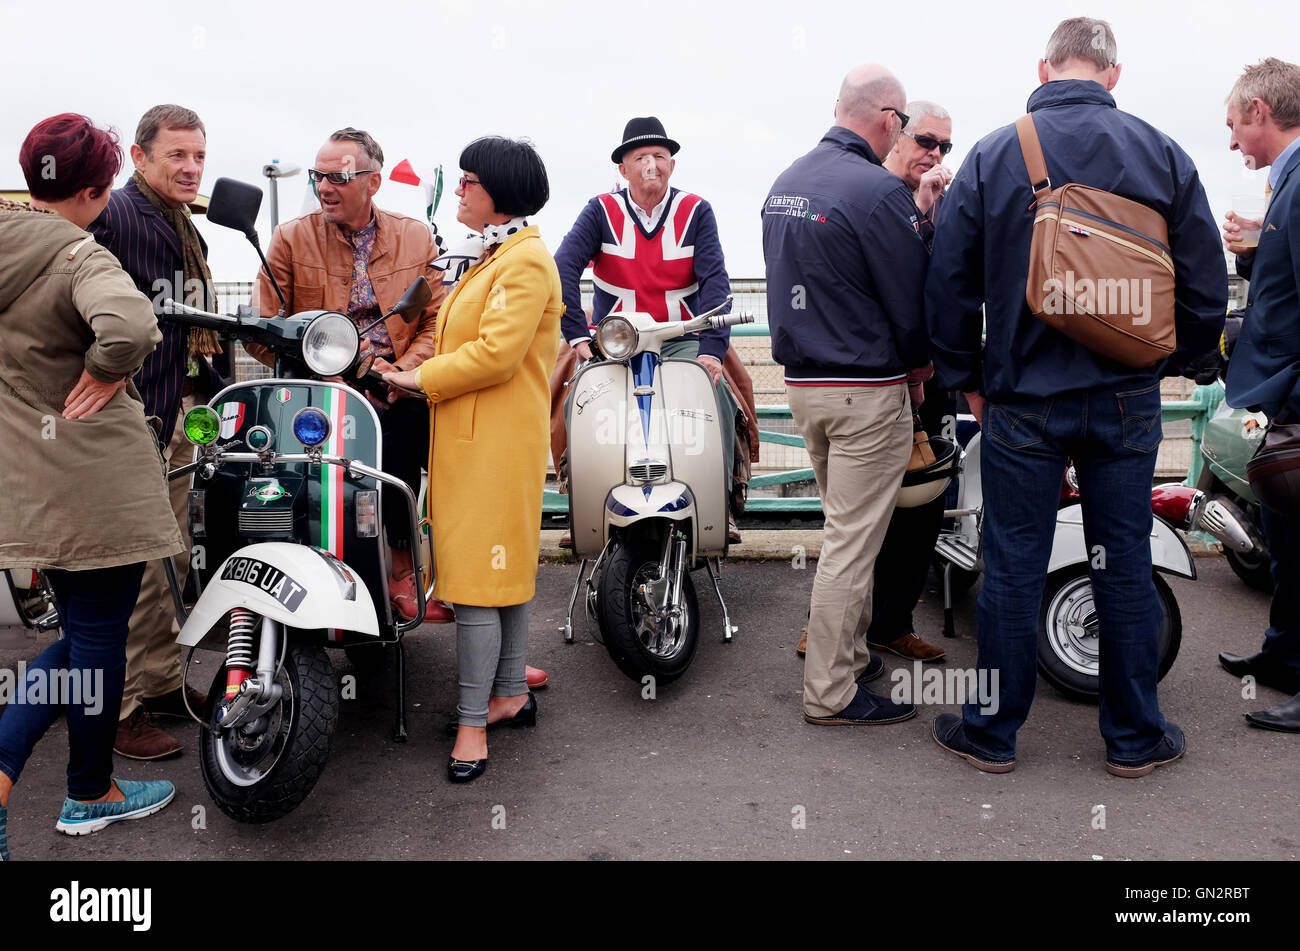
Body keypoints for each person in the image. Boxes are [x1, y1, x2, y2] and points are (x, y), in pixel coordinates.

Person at [925, 18, 1226, 774]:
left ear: (1044, 66)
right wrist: (1180, 360)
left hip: (1020, 397)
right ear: (1113, 75)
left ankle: (992, 733)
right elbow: (1204, 276)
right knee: (1121, 559)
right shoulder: (1162, 153)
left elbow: (950, 284)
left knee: (1013, 558)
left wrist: (967, 378)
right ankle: (1133, 738)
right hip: (1126, 397)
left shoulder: (996, 154)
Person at [0, 114, 181, 860]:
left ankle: (88, 783)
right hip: (98, 486)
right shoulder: (80, 252)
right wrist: (106, 371)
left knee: (79, 636)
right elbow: (132, 326)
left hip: (31, 481)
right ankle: (82, 790)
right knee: (95, 639)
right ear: (96, 189)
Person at [382, 136, 561, 783]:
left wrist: (413, 378)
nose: (457, 189)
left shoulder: (524, 262)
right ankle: (509, 691)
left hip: (491, 447)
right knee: (500, 575)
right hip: (479, 443)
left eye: (467, 180)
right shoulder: (499, 256)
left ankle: (471, 724)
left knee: (476, 588)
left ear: (497, 191)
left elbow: (495, 355)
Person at [762, 64, 931, 726]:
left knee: (841, 530)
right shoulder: (878, 191)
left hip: (806, 387)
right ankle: (830, 691)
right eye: (906, 124)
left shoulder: (784, 184)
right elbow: (910, 305)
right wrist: (920, 372)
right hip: (865, 390)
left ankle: (850, 655)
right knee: (851, 545)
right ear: (888, 118)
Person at [796, 100, 956, 664]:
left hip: (925, 375)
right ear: (897, 134)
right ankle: (831, 637)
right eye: (926, 141)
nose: (934, 155)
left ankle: (890, 623)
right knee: (855, 522)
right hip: (880, 379)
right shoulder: (868, 193)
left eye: (945, 147)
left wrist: (938, 217)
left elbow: (950, 282)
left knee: (921, 511)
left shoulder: (938, 203)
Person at [89, 104, 219, 761]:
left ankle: (164, 684)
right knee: (136, 570)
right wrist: (93, 373)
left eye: (198, 155)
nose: (191, 167)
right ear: (139, 158)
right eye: (176, 155)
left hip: (172, 415)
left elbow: (184, 317)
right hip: (128, 421)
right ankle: (122, 710)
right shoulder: (115, 215)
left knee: (168, 556)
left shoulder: (179, 222)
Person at [552, 117, 751, 542]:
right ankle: (581, 500)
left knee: (716, 398)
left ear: (672, 166)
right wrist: (578, 336)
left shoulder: (695, 210)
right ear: (622, 170)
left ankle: (723, 503)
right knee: (578, 401)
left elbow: (716, 279)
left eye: (660, 156)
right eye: (640, 157)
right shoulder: (600, 210)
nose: (651, 166)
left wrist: (713, 350)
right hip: (616, 343)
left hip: (681, 338)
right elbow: (563, 267)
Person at [1217, 57, 1300, 732]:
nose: (1234, 140)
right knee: (1286, 538)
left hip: (1295, 395)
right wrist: (1253, 250)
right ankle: (1283, 658)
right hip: (1283, 397)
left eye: (1234, 126)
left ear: (1260, 113)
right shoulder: (1288, 180)